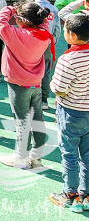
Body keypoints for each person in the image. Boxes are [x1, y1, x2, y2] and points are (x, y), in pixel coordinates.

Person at [0, 1, 52, 169]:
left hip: (18, 84)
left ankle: (20, 158)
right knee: (37, 119)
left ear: (21, 20)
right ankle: (36, 158)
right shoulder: (44, 33)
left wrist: (11, 8)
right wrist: (20, 11)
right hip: (36, 83)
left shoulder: (15, 34)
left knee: (21, 121)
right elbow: (44, 20)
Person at [49, 14, 89, 212]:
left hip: (72, 112)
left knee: (70, 155)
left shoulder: (68, 59)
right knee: (87, 156)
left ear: (71, 34)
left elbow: (58, 88)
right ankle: (86, 195)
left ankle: (70, 195)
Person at [31, 0, 61, 111]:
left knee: (30, 70)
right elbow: (57, 30)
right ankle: (44, 99)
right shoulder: (54, 9)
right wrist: (52, 42)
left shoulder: (30, 7)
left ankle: (31, 98)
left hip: (31, 44)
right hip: (47, 44)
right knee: (45, 71)